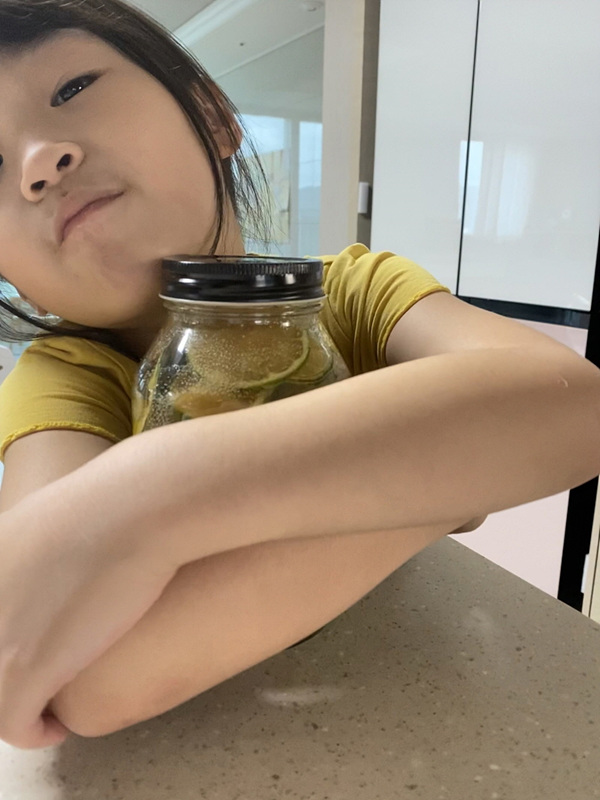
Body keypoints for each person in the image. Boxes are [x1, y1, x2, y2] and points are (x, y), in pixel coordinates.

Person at [1, 0, 600, 753]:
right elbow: (84, 678)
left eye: (71, 88)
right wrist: (449, 482)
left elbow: (573, 407)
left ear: (213, 116)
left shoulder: (350, 290)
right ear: (11, 280)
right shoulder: (64, 377)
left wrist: (143, 499)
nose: (38, 162)